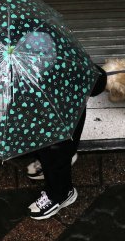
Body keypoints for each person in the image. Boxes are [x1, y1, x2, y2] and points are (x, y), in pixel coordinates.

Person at [27, 65, 107, 220]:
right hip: (35, 115)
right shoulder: (18, 66)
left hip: (61, 122)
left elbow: (98, 82)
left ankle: (61, 194)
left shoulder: (64, 62)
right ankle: (46, 165)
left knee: (56, 158)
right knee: (44, 152)